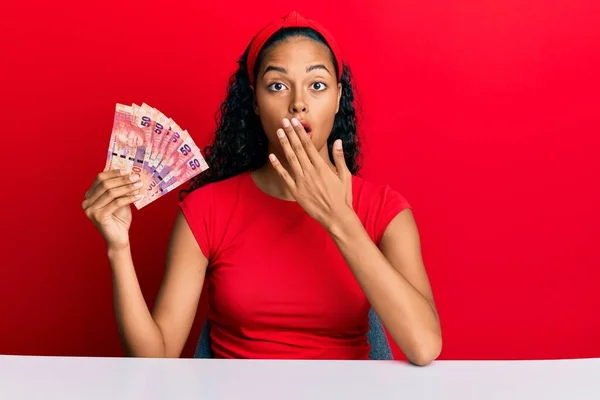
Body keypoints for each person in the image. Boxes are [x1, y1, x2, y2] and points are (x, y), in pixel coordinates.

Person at [82, 11, 442, 366]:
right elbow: (155, 358)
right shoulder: (206, 210)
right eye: (278, 86)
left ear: (337, 97)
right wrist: (118, 247)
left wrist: (339, 219)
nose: (298, 103)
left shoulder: (385, 209)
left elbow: (424, 347)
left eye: (316, 85)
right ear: (255, 101)